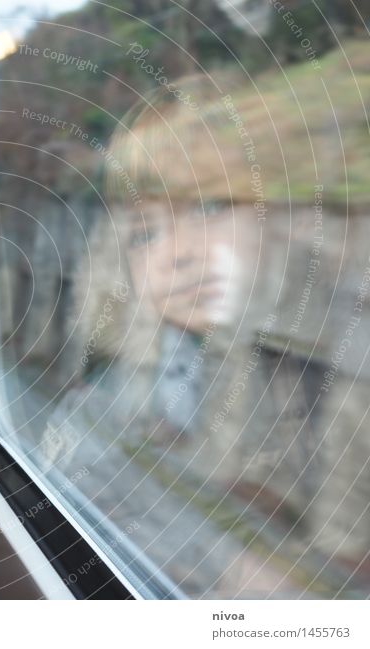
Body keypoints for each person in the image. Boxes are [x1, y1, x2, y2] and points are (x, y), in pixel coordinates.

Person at [41, 74, 370, 597]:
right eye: (146, 233)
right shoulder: (135, 366)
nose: (180, 253)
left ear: (289, 216)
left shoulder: (339, 364)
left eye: (211, 209)